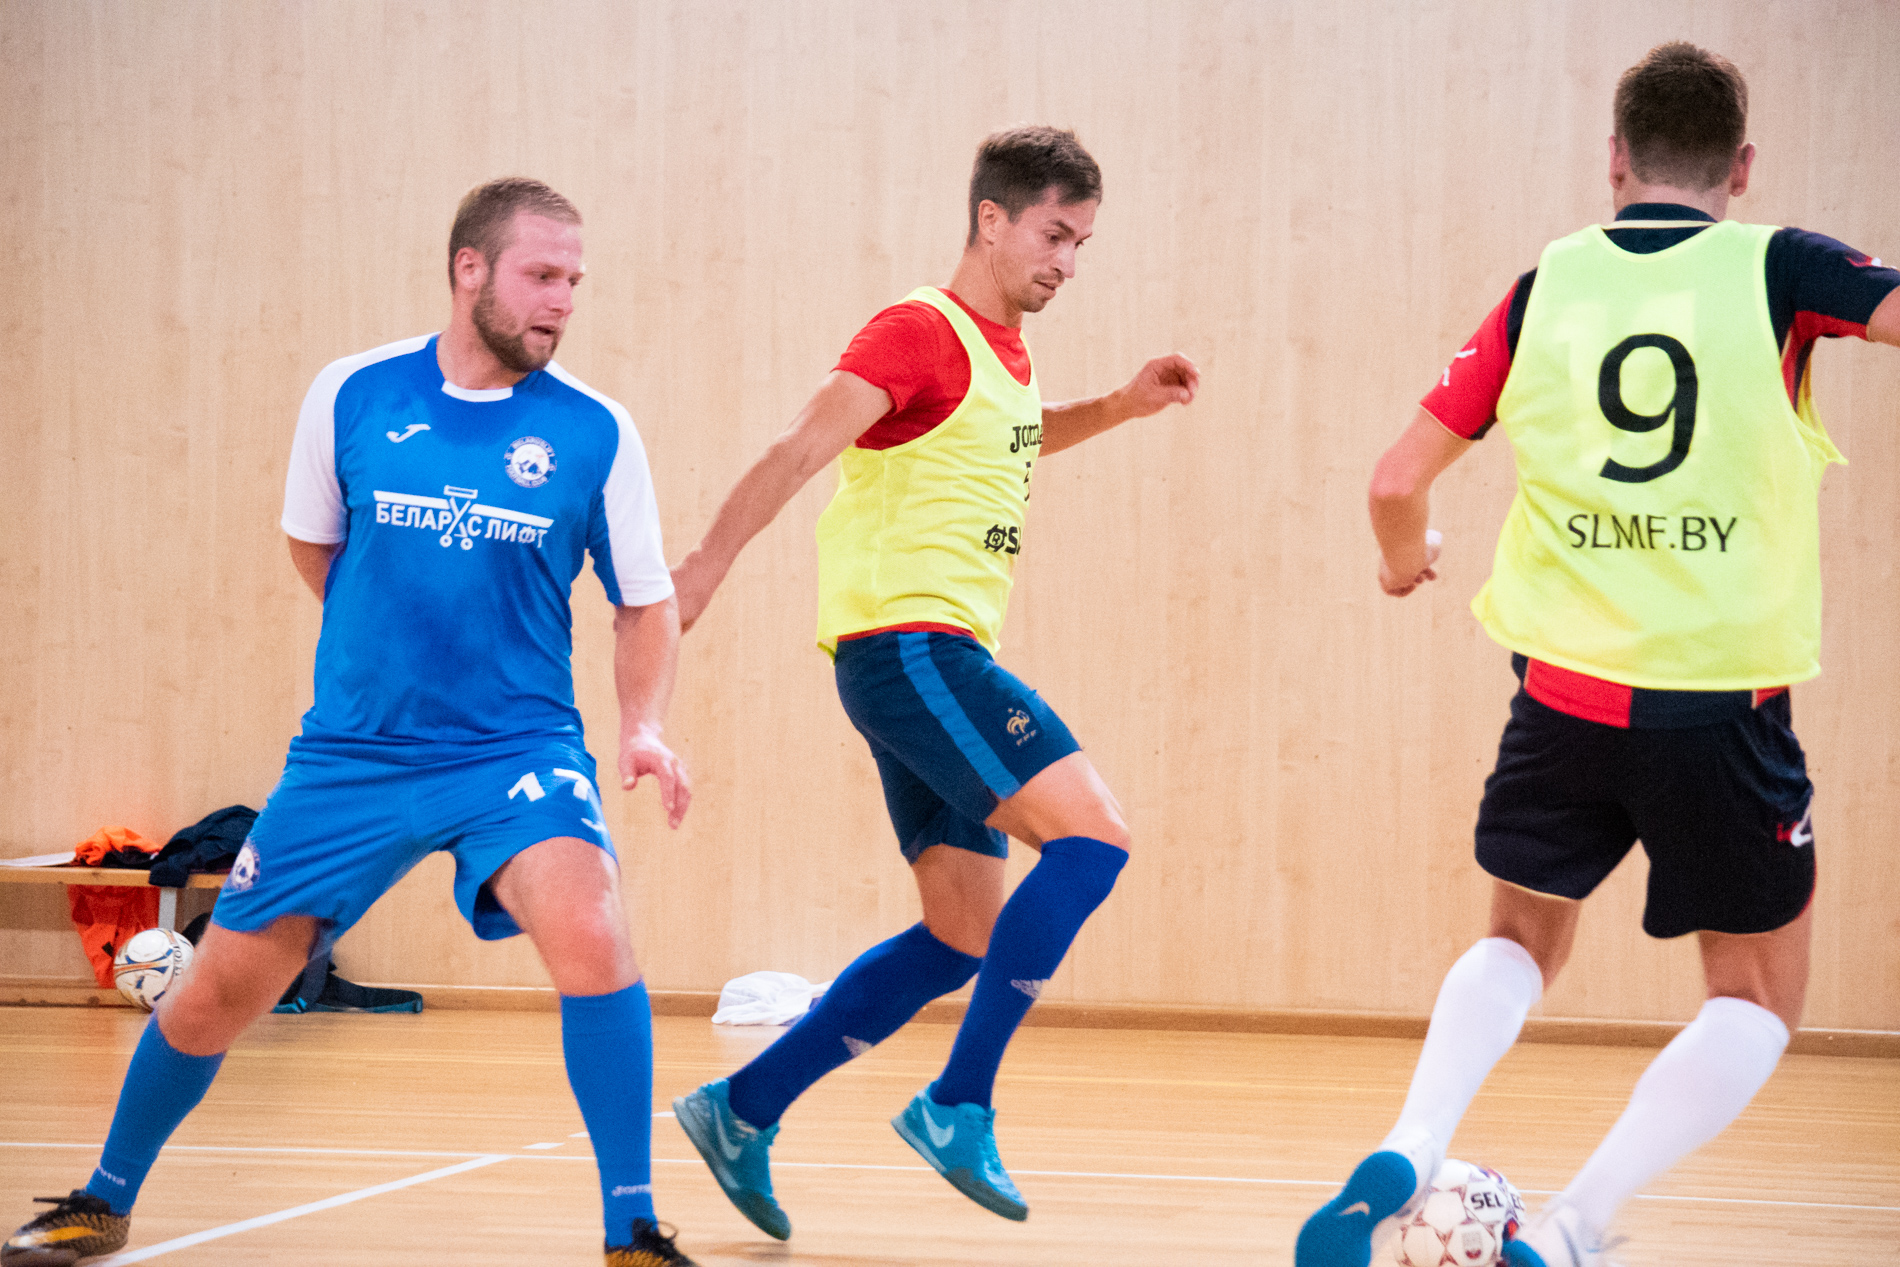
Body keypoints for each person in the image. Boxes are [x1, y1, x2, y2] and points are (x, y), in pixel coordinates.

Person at [4, 178, 700, 1267]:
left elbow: (645, 602)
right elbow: (314, 544)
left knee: (594, 932)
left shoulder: (595, 430)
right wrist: (389, 643)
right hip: (352, 758)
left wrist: (643, 725)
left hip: (514, 751)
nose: (562, 300)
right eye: (541, 275)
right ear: (470, 269)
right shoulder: (352, 394)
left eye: (574, 280)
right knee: (217, 991)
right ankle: (102, 1198)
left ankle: (633, 1229)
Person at [1296, 42, 1900, 1267]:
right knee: (1754, 996)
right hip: (1719, 703)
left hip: (1562, 694)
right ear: (1741, 165)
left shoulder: (1544, 288)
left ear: (1613, 159)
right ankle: (1570, 1227)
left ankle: (1413, 1136)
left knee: (1519, 938)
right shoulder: (1782, 268)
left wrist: (1402, 563)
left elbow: (1395, 481)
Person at [666, 126, 1198, 1238]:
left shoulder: (1003, 356)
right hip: (913, 649)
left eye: (1082, 242)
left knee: (959, 932)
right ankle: (959, 1101)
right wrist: (702, 569)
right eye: (1053, 234)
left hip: (921, 659)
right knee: (1093, 839)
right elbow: (798, 446)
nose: (1067, 260)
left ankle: (740, 1108)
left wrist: (1119, 405)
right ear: (991, 220)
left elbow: (1009, 440)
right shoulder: (919, 329)